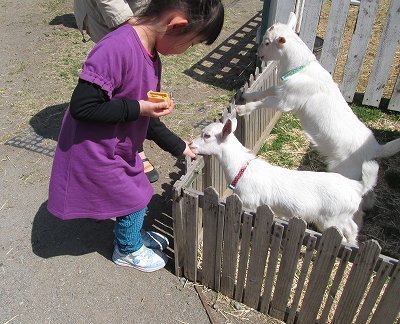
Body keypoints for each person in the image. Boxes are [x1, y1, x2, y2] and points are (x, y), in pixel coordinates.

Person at [48, 0, 225, 272]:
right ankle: (127, 249)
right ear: (176, 24)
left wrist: (179, 147)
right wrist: (138, 107)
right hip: (94, 148)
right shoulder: (115, 48)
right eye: (190, 44)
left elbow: (146, 118)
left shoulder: (151, 56)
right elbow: (83, 106)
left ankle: (129, 236)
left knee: (134, 192)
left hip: (118, 145)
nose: (185, 51)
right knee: (136, 195)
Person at [74, 0, 156, 183]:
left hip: (143, 15)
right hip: (115, 16)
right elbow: (82, 108)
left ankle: (132, 139)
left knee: (136, 84)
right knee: (125, 73)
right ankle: (133, 149)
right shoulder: (120, 42)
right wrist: (128, 22)